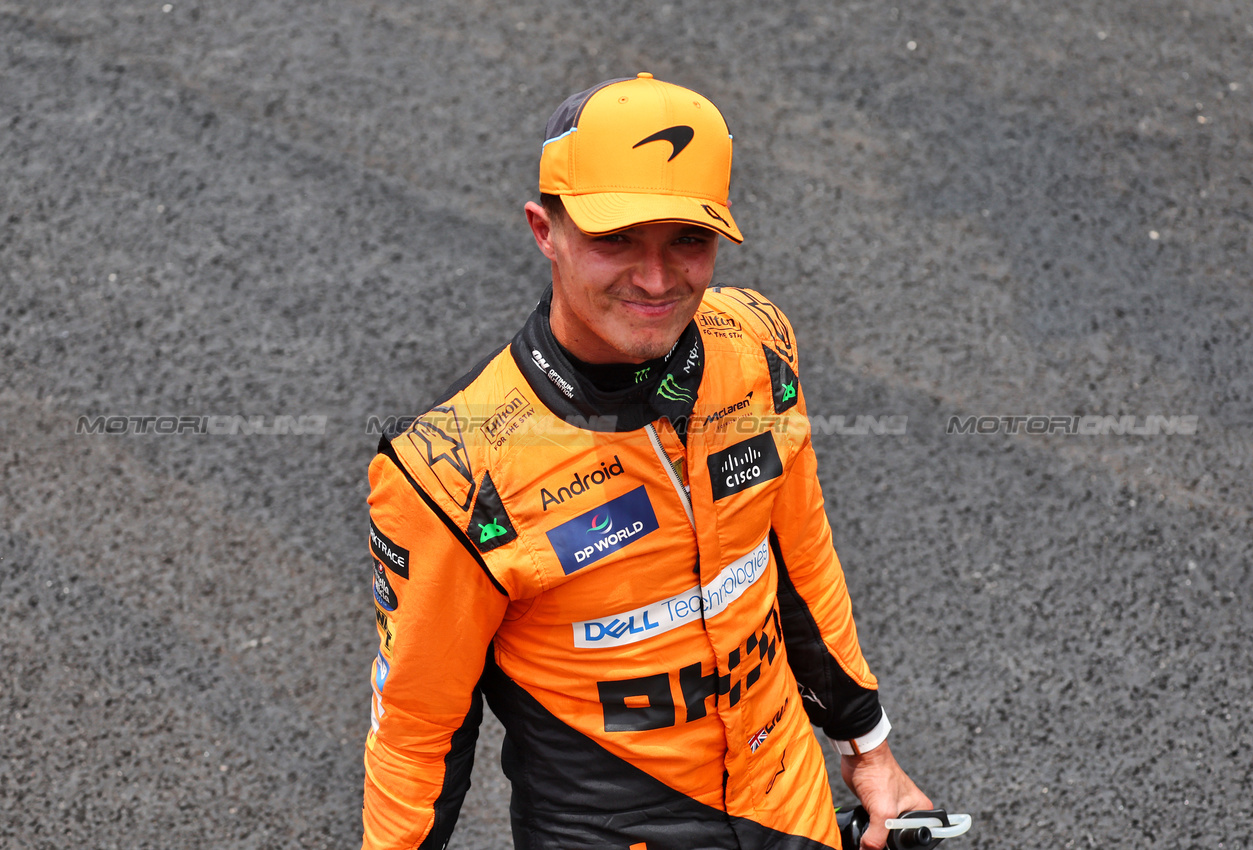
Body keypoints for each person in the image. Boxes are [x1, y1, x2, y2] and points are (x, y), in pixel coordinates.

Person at [361, 73, 931, 850]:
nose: (657, 279)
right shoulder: (453, 469)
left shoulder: (757, 345)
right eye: (614, 239)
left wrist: (871, 753)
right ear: (542, 230)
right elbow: (418, 731)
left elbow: (800, 559)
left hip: (790, 812)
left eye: (687, 240)